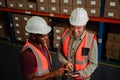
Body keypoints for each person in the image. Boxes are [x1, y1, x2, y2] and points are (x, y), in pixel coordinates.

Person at [19, 16, 66, 80]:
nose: (46, 38)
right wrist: (52, 74)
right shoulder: (28, 55)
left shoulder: (41, 43)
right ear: (33, 36)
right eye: (43, 36)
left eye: (47, 34)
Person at [58, 7, 98, 80]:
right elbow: (59, 52)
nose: (75, 31)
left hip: (82, 78)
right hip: (66, 76)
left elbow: (93, 63)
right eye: (73, 27)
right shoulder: (65, 34)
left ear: (84, 25)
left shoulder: (91, 40)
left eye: (79, 28)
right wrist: (65, 62)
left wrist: (81, 74)